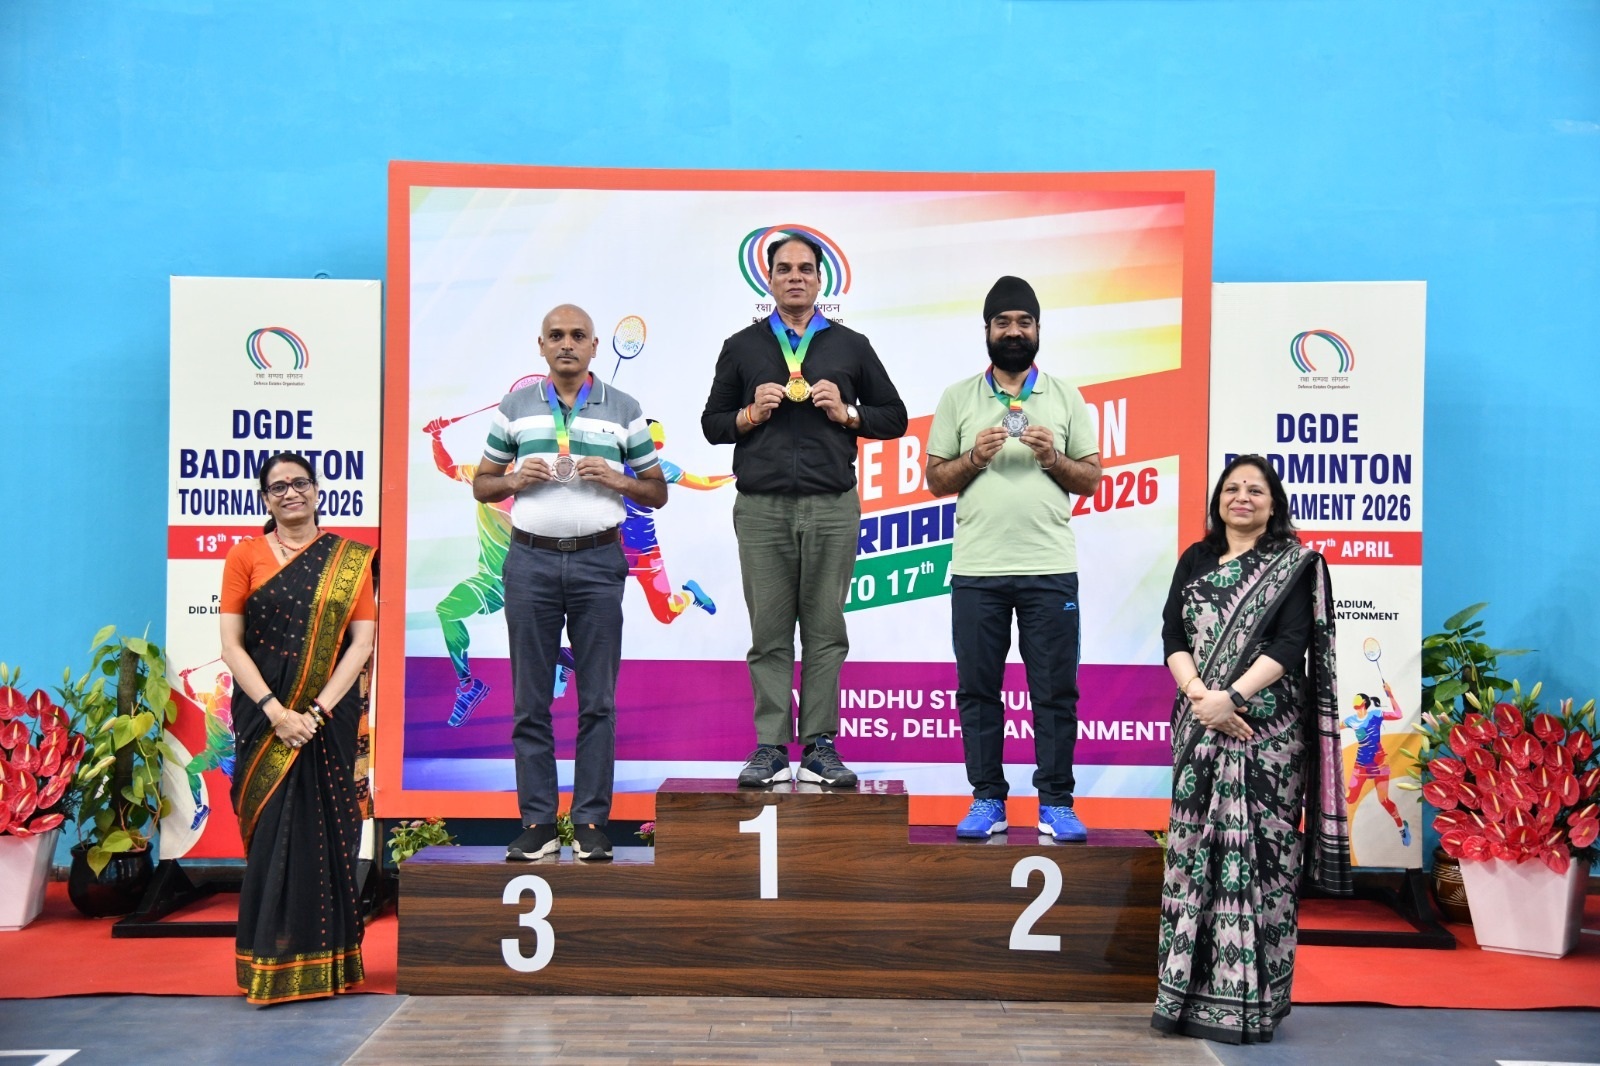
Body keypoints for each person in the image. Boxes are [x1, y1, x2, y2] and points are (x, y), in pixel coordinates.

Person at [1152, 454, 1351, 1044]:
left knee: (1262, 860)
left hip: (1267, 730)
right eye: (1232, 488)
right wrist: (1200, 695)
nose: (1242, 497)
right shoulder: (1196, 558)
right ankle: (1182, 996)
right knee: (1193, 855)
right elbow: (1172, 632)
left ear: (1273, 504)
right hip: (1198, 723)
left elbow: (1292, 644)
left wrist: (1232, 697)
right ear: (1218, 500)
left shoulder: (1295, 564)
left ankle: (1252, 1005)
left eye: (1255, 490)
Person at [701, 232, 907, 789]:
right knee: (768, 633)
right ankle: (770, 748)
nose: (795, 277)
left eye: (806, 269)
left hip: (831, 505)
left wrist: (849, 414)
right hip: (761, 507)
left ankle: (819, 746)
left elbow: (894, 416)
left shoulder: (851, 346)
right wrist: (748, 415)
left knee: (825, 632)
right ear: (768, 280)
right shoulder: (742, 347)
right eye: (785, 269)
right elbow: (712, 424)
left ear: (820, 280)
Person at [474, 304, 666, 862]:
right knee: (529, 701)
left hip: (598, 563)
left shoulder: (624, 408)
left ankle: (590, 823)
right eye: (555, 335)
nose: (566, 344)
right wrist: (514, 478)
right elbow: (482, 485)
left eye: (577, 335)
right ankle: (538, 822)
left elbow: (657, 491)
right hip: (530, 563)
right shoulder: (515, 408)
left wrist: (619, 479)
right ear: (540, 345)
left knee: (598, 701)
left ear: (594, 346)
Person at [926, 276, 1103, 843]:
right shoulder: (958, 397)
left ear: (1038, 330)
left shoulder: (1065, 395)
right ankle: (988, 800)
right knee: (978, 691)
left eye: (1023, 322)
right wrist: (973, 458)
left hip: (1049, 567)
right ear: (987, 330)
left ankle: (1056, 803)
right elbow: (936, 480)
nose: (1013, 331)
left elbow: (1091, 480)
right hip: (977, 570)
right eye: (1002, 322)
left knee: (1055, 692)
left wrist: (1053, 458)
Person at [219, 451, 376, 1006]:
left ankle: (327, 965)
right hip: (265, 719)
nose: (290, 493)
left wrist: (315, 713)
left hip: (326, 721)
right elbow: (231, 645)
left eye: (299, 482)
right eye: (277, 486)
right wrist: (276, 712)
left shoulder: (349, 560)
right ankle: (267, 964)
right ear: (265, 498)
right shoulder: (244, 556)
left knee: (327, 838)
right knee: (271, 839)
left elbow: (362, 641)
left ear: (316, 490)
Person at [423, 414, 514, 727]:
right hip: (491, 580)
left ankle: (565, 660)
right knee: (447, 610)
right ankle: (467, 687)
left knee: (535, 643)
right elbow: (448, 468)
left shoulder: (536, 485)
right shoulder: (483, 475)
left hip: (526, 580)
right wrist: (437, 438)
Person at [1346, 684, 1411, 846]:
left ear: (1364, 702)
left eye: (1358, 699)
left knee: (1384, 800)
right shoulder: (1350, 720)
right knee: (1350, 798)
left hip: (1379, 763)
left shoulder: (1375, 715)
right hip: (1361, 765)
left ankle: (1402, 828)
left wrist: (1390, 693)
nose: (1355, 700)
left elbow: (1398, 714)